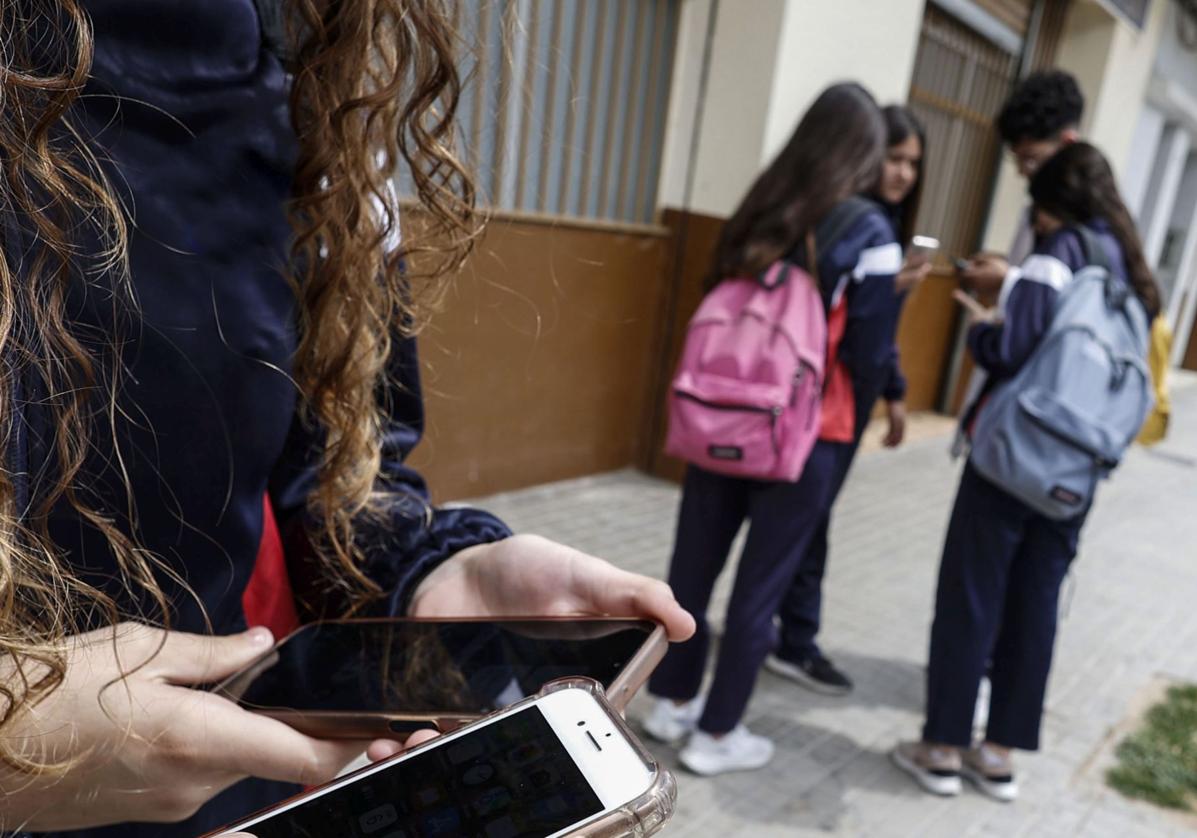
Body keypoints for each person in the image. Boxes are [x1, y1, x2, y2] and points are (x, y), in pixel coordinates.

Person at [0, 3, 694, 836]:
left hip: (225, 764)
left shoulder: (315, 112)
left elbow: (332, 470)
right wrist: (13, 753)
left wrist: (427, 571)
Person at [643, 82, 899, 776]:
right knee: (760, 590)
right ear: (863, 156)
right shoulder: (870, 234)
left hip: (720, 417)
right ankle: (717, 735)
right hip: (805, 435)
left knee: (690, 570)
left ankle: (668, 702)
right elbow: (868, 356)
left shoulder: (759, 210)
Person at [892, 142, 1161, 802]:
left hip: (1013, 458)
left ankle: (940, 750)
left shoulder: (1054, 254)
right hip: (1078, 467)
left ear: (1049, 207)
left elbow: (1012, 349)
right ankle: (998, 756)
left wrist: (984, 325)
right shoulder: (1132, 271)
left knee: (972, 597)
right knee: (1035, 604)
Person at [766, 104, 929, 696]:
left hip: (840, 405)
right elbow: (853, 333)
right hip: (814, 403)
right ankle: (789, 640)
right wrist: (883, 298)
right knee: (800, 522)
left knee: (812, 521)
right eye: (894, 157)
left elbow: (874, 338)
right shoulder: (853, 223)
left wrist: (894, 393)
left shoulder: (882, 230)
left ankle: (786, 635)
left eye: (913, 162)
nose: (904, 172)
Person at [959, 70, 1085, 301]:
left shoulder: (1087, 220)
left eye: (1031, 158)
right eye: (1017, 159)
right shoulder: (1035, 209)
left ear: (1068, 143)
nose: (1022, 171)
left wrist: (1007, 280)